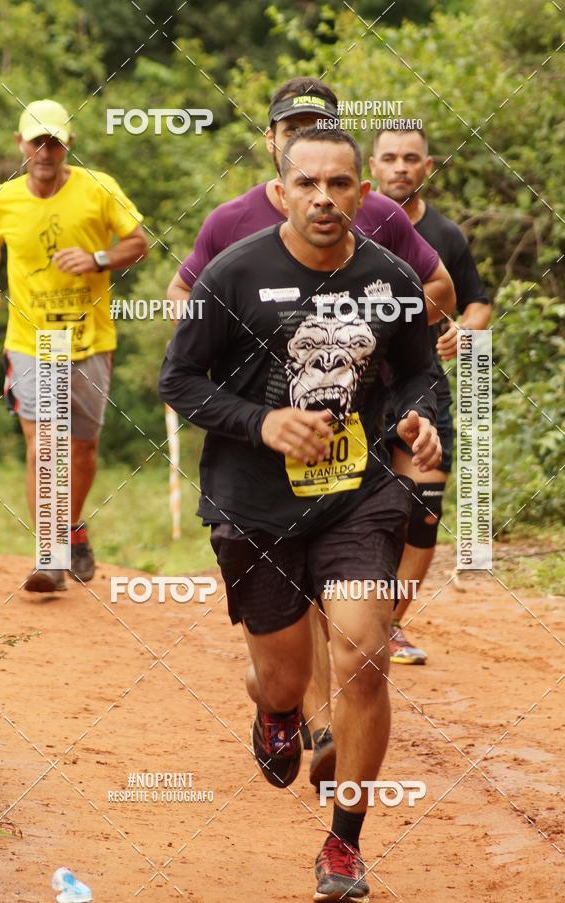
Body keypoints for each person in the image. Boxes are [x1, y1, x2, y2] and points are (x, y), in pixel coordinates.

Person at [160, 126, 441, 902]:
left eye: (340, 184)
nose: (324, 198)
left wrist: (419, 419)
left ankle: (344, 842)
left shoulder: (389, 279)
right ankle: (277, 711)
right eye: (308, 184)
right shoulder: (234, 273)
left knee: (363, 653)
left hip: (358, 495)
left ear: (363, 192)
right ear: (280, 192)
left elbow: (420, 372)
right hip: (255, 503)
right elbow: (178, 380)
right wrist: (262, 422)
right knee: (281, 676)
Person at [0, 99, 148, 592]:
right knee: (43, 444)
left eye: (54, 143)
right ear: (20, 144)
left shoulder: (98, 188)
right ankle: (50, 555)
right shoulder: (2, 198)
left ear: (68, 144)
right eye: (36, 142)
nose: (45, 152)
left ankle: (71, 527)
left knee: (83, 450)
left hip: (89, 340)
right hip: (31, 341)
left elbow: (138, 242)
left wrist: (97, 258)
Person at [369, 126, 491, 664]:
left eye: (410, 158)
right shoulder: (349, 224)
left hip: (422, 387)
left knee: (423, 507)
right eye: (390, 158)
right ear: (372, 167)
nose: (400, 167)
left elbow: (477, 302)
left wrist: (465, 330)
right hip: (355, 390)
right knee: (363, 507)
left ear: (428, 166)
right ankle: (338, 615)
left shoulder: (445, 234)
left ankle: (391, 625)